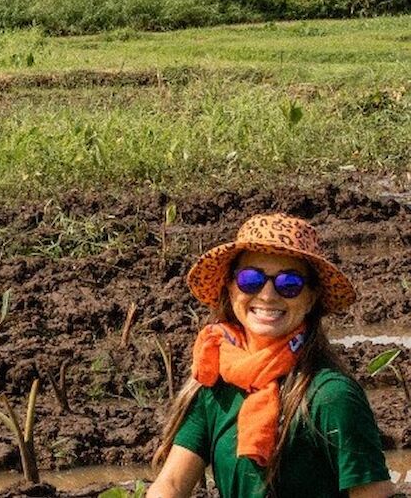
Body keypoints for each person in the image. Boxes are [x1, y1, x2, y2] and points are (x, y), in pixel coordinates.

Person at [148, 213, 393, 498]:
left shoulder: (331, 396)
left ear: (311, 297)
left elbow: (374, 493)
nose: (267, 295)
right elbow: (172, 484)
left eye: (289, 283)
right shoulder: (215, 384)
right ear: (230, 287)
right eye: (250, 279)